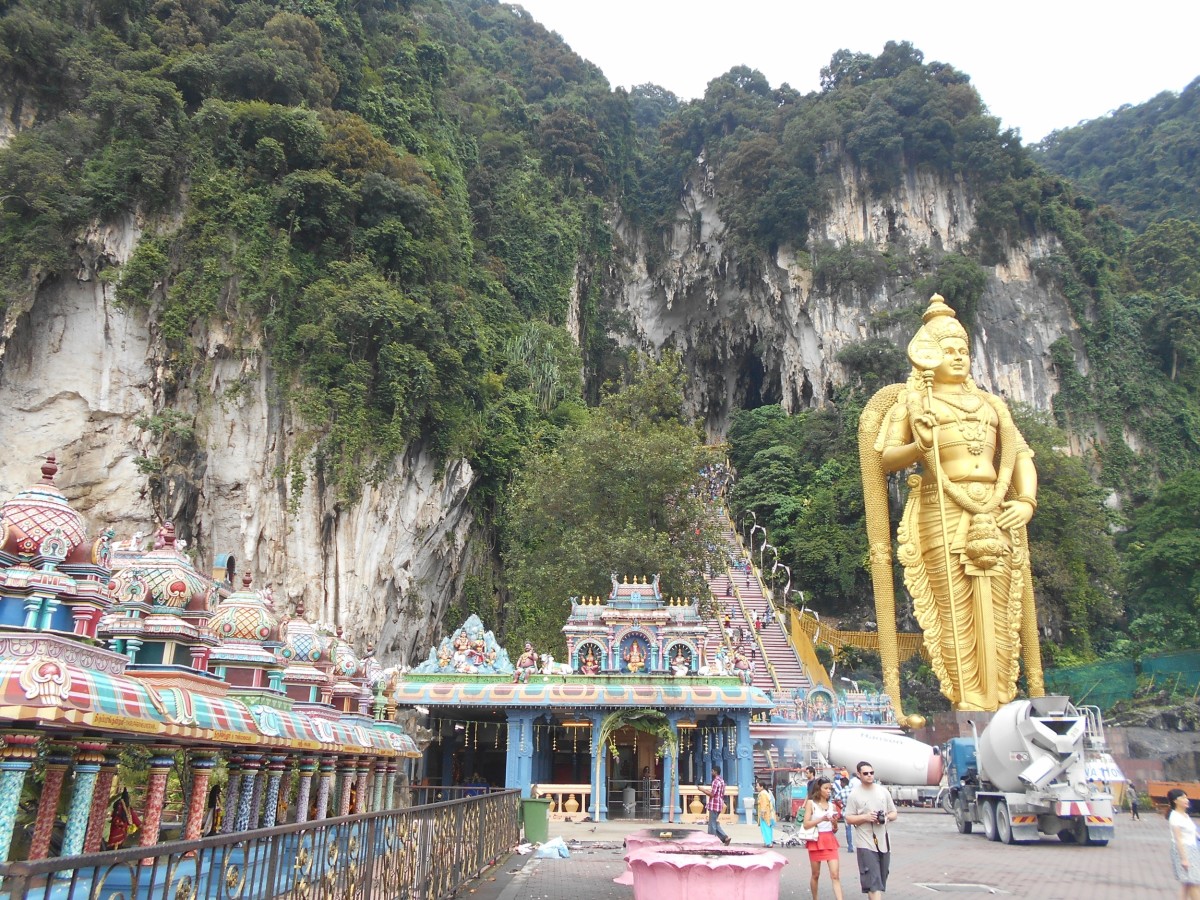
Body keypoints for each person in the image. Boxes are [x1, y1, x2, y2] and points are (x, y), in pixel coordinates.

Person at [862, 293, 1044, 715]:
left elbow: (1020, 457)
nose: (958, 357)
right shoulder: (914, 402)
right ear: (928, 357)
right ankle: (968, 699)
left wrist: (1027, 502)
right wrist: (918, 444)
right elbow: (884, 458)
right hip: (939, 506)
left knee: (1002, 606)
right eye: (948, 350)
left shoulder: (991, 404)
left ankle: (1003, 696)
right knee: (953, 607)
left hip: (995, 508)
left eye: (963, 350)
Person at [844, 761, 897, 900]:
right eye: (865, 773)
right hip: (865, 842)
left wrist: (886, 817)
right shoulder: (854, 795)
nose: (869, 776)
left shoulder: (883, 791)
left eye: (871, 773)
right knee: (873, 881)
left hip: (883, 842)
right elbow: (848, 818)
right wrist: (866, 817)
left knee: (879, 880)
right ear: (859, 775)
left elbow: (894, 813)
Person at [803, 777, 845, 900]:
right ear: (818, 789)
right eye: (825, 788)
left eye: (830, 789)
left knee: (835, 875)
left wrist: (835, 822)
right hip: (816, 839)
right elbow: (806, 824)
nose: (828, 791)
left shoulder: (832, 806)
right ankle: (815, 898)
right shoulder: (811, 804)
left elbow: (834, 829)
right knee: (816, 874)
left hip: (829, 840)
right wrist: (821, 819)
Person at [1168, 789, 1200, 899]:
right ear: (1175, 801)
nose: (1186, 800)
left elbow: (1192, 831)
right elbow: (1178, 839)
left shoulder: (1185, 815)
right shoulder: (1175, 817)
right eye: (1183, 798)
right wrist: (1184, 859)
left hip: (1192, 849)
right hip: (1183, 851)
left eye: (1186, 797)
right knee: (1194, 882)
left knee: (1187, 883)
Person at [697, 765, 731, 846]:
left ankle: (711, 840)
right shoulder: (722, 781)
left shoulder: (715, 781)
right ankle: (725, 838)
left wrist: (702, 790)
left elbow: (712, 794)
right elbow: (722, 793)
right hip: (719, 803)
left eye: (712, 771)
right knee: (714, 823)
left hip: (714, 804)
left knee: (712, 824)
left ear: (715, 772)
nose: (711, 772)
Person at [833, 775, 854, 852]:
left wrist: (841, 806)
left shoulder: (841, 792)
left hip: (846, 811)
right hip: (855, 811)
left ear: (843, 783)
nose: (840, 784)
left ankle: (850, 846)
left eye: (841, 783)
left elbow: (835, 799)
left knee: (848, 829)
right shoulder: (853, 790)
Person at [755, 779, 776, 847]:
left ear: (761, 787)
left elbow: (763, 804)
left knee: (765, 828)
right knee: (769, 828)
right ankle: (769, 842)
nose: (756, 787)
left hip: (765, 814)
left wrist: (762, 814)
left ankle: (768, 842)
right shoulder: (766, 792)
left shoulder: (763, 794)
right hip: (769, 813)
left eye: (757, 786)